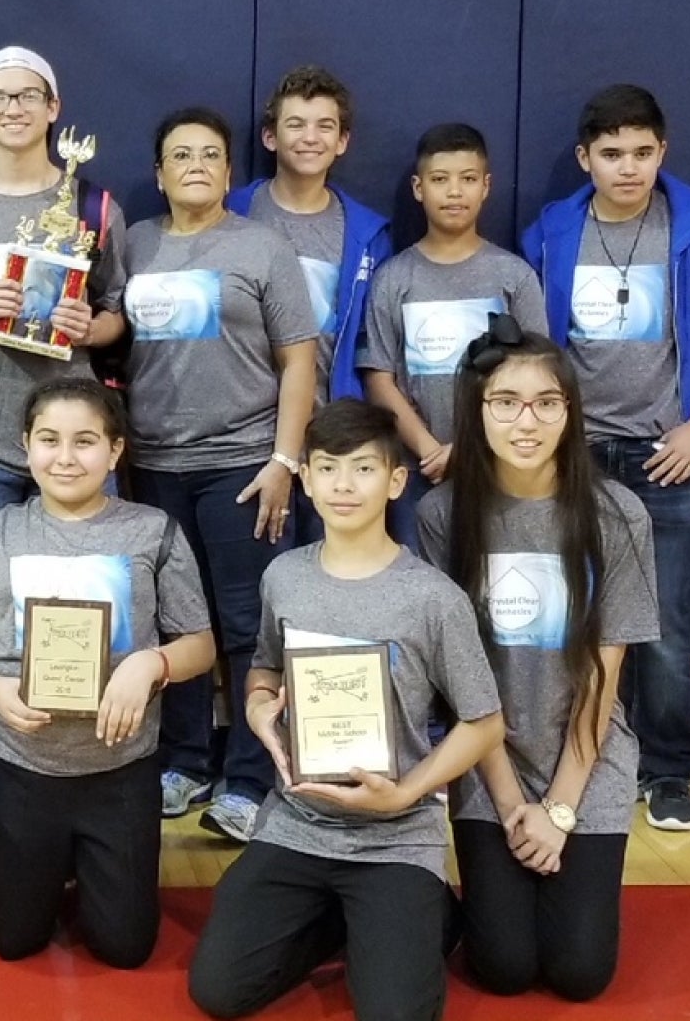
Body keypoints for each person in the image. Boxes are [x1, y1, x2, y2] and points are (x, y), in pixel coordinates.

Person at [188, 398, 503, 1021]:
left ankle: (426, 910)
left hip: (393, 834)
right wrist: (255, 708)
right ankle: (345, 921)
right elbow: (266, 666)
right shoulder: (285, 576)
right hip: (298, 823)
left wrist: (406, 792)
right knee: (218, 991)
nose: (343, 485)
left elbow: (484, 721)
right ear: (304, 478)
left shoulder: (432, 597)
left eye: (362, 469)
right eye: (327, 468)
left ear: (395, 481)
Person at [521, 84, 690, 832]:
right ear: (586, 158)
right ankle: (573, 759)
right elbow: (534, 349)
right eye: (613, 154)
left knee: (664, 627)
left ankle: (669, 770)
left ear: (663, 152)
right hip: (576, 459)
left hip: (665, 459)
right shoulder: (553, 233)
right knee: (568, 617)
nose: (629, 168)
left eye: (643, 153)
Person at [0, 45, 130, 821]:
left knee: (80, 595)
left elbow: (118, 313)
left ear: (53, 108)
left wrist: (90, 325)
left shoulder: (97, 209)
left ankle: (81, 745)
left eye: (28, 96)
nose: (13, 109)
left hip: (75, 446)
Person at [417, 319, 659, 1002]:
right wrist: (508, 800)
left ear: (571, 411)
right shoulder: (444, 515)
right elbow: (461, 681)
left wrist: (557, 810)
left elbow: (601, 679)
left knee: (580, 974)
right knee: (503, 968)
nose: (528, 420)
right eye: (505, 402)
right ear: (477, 410)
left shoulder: (618, 514)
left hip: (586, 758)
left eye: (547, 402)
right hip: (488, 756)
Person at [0, 377, 213, 968]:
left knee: (126, 948)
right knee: (12, 941)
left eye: (85, 441)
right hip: (19, 765)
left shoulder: (152, 531)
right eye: (49, 440)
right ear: (25, 446)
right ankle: (52, 864)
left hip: (119, 769)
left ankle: (84, 861)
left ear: (115, 452)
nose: (65, 457)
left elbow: (202, 645)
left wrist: (152, 661)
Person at [121, 107, 319, 842]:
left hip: (242, 466)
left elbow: (298, 359)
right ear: (160, 173)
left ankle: (248, 777)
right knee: (173, 622)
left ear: (231, 173)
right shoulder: (134, 245)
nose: (197, 164)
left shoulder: (263, 248)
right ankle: (183, 761)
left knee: (247, 626)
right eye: (181, 154)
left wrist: (284, 461)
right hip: (152, 465)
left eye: (211, 154)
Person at [362, 123, 547, 510]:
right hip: (417, 471)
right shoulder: (392, 278)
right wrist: (430, 450)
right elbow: (379, 379)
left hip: (500, 464)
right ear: (418, 188)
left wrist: (471, 447)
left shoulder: (514, 277)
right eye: (440, 179)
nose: (454, 192)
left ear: (486, 186)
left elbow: (538, 377)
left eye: (468, 179)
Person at [228, 66, 391, 407]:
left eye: (325, 126)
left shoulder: (368, 236)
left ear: (342, 141)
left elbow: (372, 348)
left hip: (331, 432)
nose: (311, 137)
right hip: (242, 429)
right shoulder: (229, 213)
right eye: (296, 124)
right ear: (269, 137)